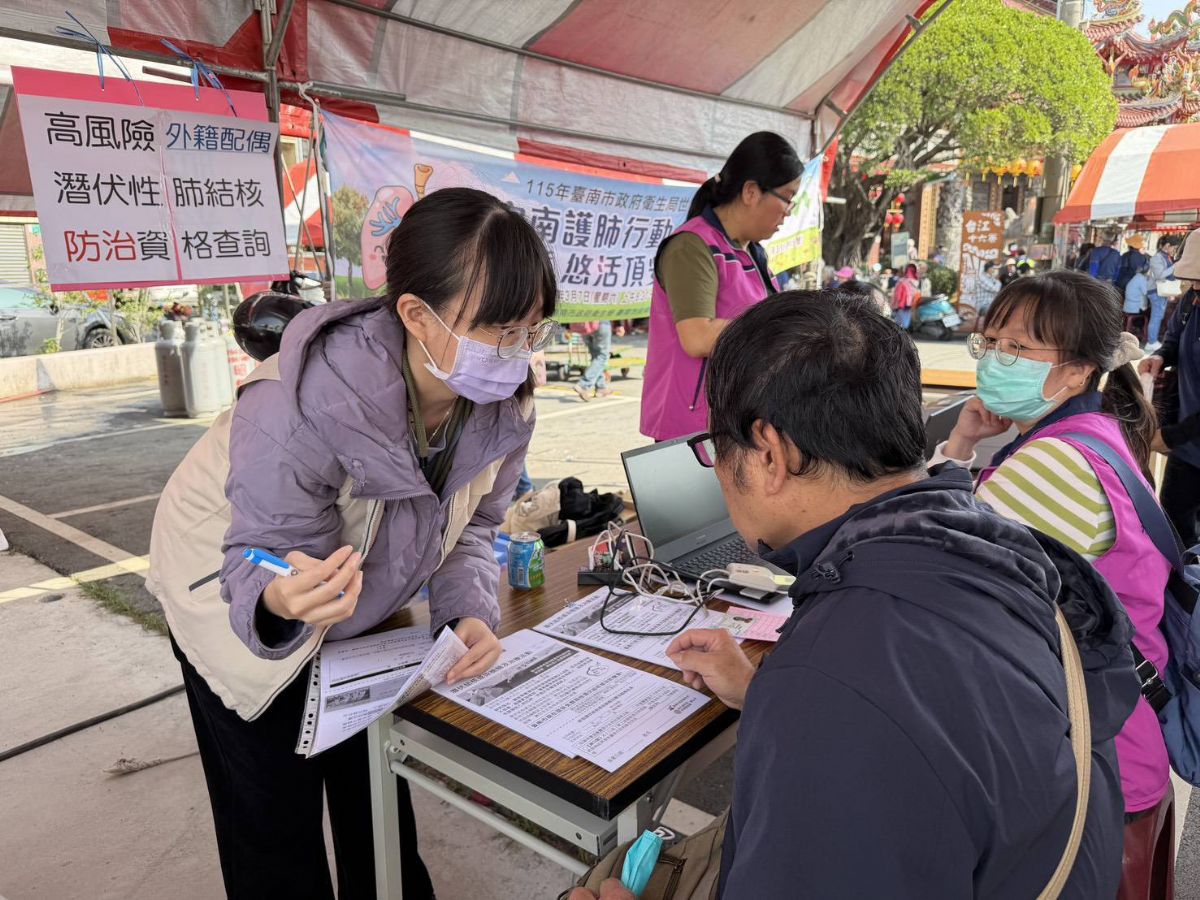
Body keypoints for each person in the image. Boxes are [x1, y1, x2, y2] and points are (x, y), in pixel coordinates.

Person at [572, 291, 1136, 900]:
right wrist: (768, 694)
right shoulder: (980, 547)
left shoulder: (838, 675)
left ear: (771, 454)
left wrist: (807, 695)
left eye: (714, 447)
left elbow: (868, 725)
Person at [147, 188, 558, 899]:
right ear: (416, 315)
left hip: (358, 597)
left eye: (533, 331)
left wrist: (466, 613)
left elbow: (473, 527)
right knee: (273, 816)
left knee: (374, 787)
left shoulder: (505, 406)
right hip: (231, 592)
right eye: (498, 329)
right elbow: (260, 550)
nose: (517, 354)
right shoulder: (303, 398)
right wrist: (279, 598)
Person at [935, 270, 1174, 898]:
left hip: (1092, 760)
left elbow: (937, 564)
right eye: (990, 342)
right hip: (1119, 740)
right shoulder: (1094, 434)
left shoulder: (1054, 462)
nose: (994, 360)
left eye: (1017, 347)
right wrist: (964, 439)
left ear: (1077, 371)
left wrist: (957, 449)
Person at [639, 131, 801, 442]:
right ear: (751, 192)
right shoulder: (692, 246)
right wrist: (782, 326)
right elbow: (697, 336)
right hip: (693, 427)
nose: (788, 211)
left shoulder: (752, 253)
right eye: (787, 197)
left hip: (735, 417)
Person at [1141, 229, 1200, 545]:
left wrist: (1171, 436)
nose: (1195, 287)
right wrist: (1160, 356)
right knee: (1173, 531)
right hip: (1187, 449)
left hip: (1184, 435)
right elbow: (1175, 337)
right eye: (1193, 280)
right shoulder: (1192, 299)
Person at [1146, 235, 1182, 350]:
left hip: (1161, 292)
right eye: (1174, 248)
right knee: (1156, 317)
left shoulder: (1165, 257)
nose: (1174, 250)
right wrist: (1174, 266)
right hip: (1155, 291)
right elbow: (1159, 275)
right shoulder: (1157, 258)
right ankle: (1151, 342)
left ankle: (1153, 341)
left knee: (1158, 316)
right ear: (1167, 245)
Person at [570, 320, 614, 402]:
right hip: (601, 321)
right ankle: (583, 385)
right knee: (603, 356)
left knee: (596, 356)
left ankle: (601, 387)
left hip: (584, 324)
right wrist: (619, 325)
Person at [890, 262, 920, 329]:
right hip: (910, 305)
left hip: (900, 305)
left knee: (900, 324)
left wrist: (892, 306)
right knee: (905, 324)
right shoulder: (915, 282)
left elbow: (897, 296)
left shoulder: (901, 282)